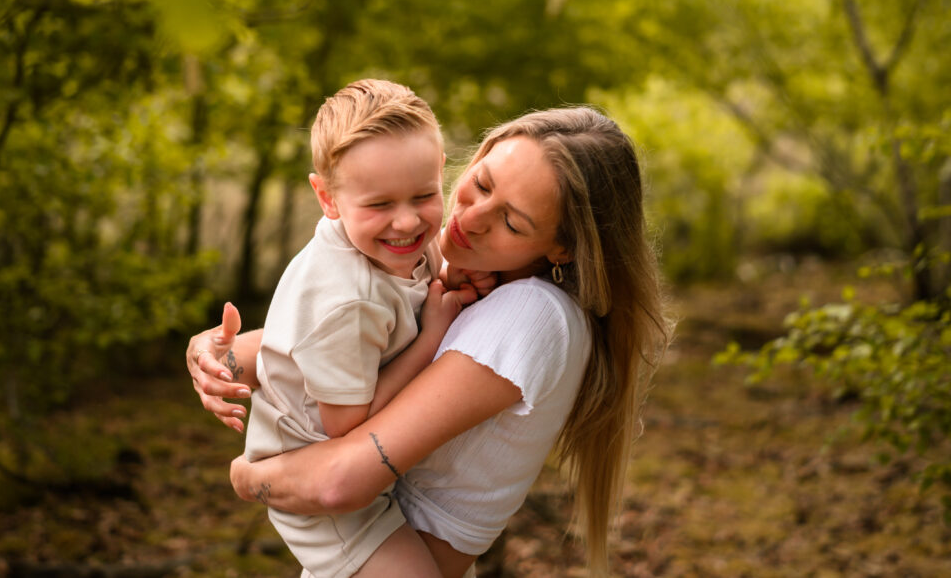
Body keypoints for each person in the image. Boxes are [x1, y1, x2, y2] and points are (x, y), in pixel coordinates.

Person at [189, 106, 670, 577]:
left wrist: (249, 479)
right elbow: (325, 340)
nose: (472, 217)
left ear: (563, 247)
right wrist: (215, 357)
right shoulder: (454, 270)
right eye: (482, 184)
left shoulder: (532, 311)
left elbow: (339, 482)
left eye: (512, 222)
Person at [230, 78, 481, 578]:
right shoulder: (345, 299)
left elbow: (426, 281)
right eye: (379, 205)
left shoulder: (402, 245)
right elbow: (346, 427)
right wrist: (431, 338)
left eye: (424, 195)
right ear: (327, 198)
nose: (406, 222)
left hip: (370, 461)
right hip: (314, 474)